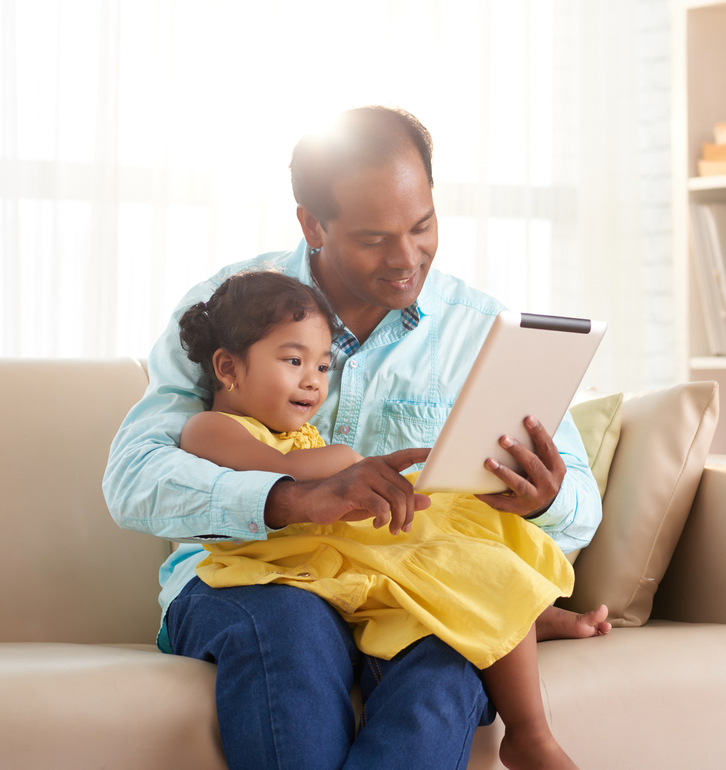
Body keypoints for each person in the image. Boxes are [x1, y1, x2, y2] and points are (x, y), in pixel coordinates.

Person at [103, 105, 604, 770]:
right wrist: (292, 499)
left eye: (423, 226)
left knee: (449, 654)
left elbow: (582, 510)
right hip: (254, 577)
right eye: (373, 239)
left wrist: (543, 498)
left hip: (408, 586)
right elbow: (133, 477)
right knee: (291, 627)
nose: (406, 259)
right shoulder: (232, 310)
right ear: (312, 223)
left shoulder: (481, 330)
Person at [177, 268, 581, 769]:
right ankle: (528, 703)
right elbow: (282, 473)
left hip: (328, 558)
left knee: (472, 543)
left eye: (323, 366)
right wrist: (347, 461)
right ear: (227, 367)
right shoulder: (210, 428)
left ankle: (528, 712)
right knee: (450, 555)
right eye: (293, 360)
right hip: (271, 567)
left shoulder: (301, 433)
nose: (312, 380)